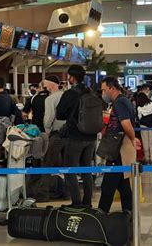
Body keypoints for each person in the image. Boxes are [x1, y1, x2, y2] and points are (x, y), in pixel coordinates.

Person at [56, 65, 97, 208]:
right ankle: (87, 202)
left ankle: (77, 202)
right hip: (91, 137)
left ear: (71, 77)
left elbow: (59, 114)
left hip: (75, 136)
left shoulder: (70, 93)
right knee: (87, 169)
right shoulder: (91, 92)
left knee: (70, 169)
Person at [98, 77, 137, 213]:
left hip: (118, 149)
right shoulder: (123, 101)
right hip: (120, 148)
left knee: (108, 185)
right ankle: (128, 212)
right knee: (123, 184)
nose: (103, 93)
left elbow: (126, 123)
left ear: (112, 88)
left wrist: (133, 139)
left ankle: (101, 214)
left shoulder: (120, 102)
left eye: (104, 90)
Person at [43, 75, 66, 166]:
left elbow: (49, 117)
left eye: (45, 84)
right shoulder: (65, 95)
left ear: (51, 84)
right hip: (69, 133)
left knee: (50, 161)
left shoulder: (50, 99)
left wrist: (47, 130)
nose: (44, 86)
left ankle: (50, 180)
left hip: (56, 133)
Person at [136, 92, 152, 164]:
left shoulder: (139, 107)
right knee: (151, 143)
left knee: (145, 143)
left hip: (143, 125)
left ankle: (147, 160)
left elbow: (139, 117)